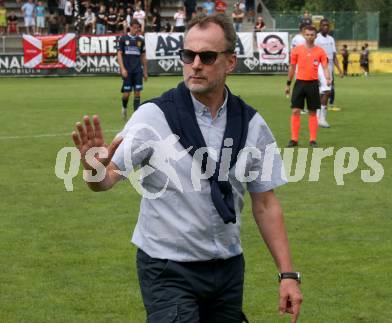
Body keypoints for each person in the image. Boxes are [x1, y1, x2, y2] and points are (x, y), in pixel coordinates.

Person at [71, 13, 302, 323]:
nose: (195, 64)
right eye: (188, 55)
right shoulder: (153, 115)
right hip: (167, 267)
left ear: (230, 62)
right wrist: (93, 169)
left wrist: (288, 274)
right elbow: (107, 179)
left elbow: (266, 203)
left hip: (228, 267)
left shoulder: (252, 124)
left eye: (207, 56)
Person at [285, 24, 330, 147]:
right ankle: (294, 139)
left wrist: (327, 77)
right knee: (295, 111)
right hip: (299, 83)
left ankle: (313, 139)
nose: (310, 37)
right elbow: (292, 67)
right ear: (304, 35)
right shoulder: (297, 50)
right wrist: (288, 83)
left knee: (312, 112)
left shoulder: (320, 51)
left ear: (316, 36)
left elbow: (325, 66)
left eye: (312, 35)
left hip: (313, 84)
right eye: (307, 34)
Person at [314, 18, 343, 128]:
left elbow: (334, 56)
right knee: (325, 92)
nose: (325, 27)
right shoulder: (317, 38)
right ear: (320, 27)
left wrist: (339, 70)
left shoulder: (331, 39)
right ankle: (322, 118)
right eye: (323, 25)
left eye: (327, 25)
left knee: (324, 92)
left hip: (329, 68)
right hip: (320, 66)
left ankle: (318, 117)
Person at [117, 19, 148, 120]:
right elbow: (119, 54)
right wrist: (122, 69)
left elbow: (143, 56)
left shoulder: (140, 40)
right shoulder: (123, 39)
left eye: (137, 28)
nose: (136, 29)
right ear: (130, 27)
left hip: (137, 70)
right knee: (126, 94)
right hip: (127, 71)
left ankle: (136, 115)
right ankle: (124, 108)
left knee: (137, 92)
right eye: (134, 27)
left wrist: (145, 71)